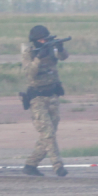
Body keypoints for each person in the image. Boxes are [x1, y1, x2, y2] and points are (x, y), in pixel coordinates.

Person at [21, 24, 69, 177]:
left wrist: (60, 49)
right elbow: (29, 73)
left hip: (52, 96)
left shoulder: (50, 49)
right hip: (37, 98)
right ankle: (58, 165)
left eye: (45, 39)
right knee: (47, 134)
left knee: (48, 135)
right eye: (41, 40)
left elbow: (63, 57)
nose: (43, 42)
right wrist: (38, 58)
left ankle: (31, 164)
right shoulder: (29, 52)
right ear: (35, 41)